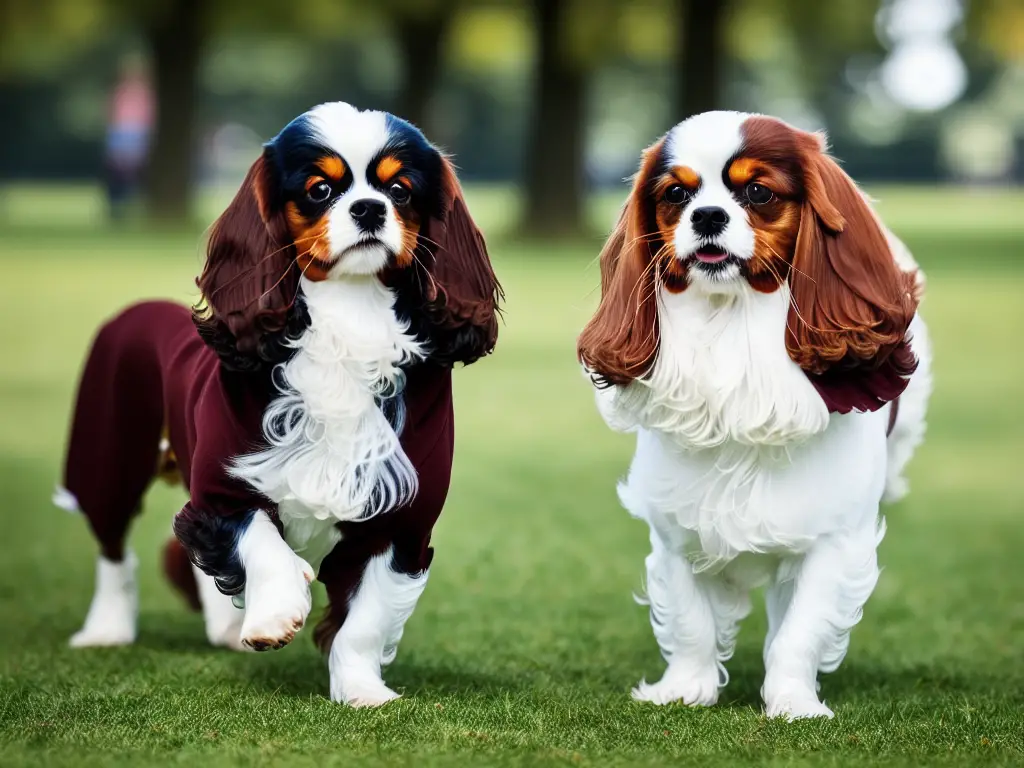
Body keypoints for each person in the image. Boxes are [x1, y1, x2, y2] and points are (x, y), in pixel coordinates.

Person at [104, 55, 154, 220]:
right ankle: (118, 206)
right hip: (121, 134)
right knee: (118, 173)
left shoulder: (145, 94)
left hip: (137, 135)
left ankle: (134, 204)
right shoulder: (120, 92)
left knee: (137, 173)